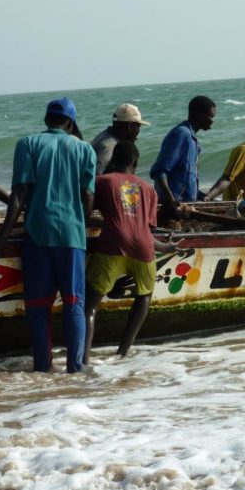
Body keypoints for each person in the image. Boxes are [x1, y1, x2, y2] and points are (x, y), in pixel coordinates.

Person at [0, 98, 96, 373]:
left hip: (36, 234)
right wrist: (81, 226)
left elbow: (19, 195)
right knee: (74, 303)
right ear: (70, 123)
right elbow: (88, 196)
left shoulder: (28, 144)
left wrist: (1, 239)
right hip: (71, 235)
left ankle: (42, 369)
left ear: (46, 119)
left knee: (37, 307)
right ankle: (75, 369)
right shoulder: (85, 150)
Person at [85, 141, 178, 362]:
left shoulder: (103, 182)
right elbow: (142, 230)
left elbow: (86, 212)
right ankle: (122, 353)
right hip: (144, 249)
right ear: (135, 163)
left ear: (112, 160)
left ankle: (83, 359)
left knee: (89, 306)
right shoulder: (148, 189)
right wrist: (166, 247)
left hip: (113, 245)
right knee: (144, 295)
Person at [150, 96, 216, 213]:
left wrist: (201, 196)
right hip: (174, 208)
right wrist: (170, 199)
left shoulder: (193, 140)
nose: (213, 120)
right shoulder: (182, 134)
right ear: (200, 116)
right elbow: (159, 172)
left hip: (186, 206)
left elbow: (187, 179)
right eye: (211, 116)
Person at [91, 103, 149, 174]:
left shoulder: (104, 136)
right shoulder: (109, 146)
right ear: (129, 126)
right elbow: (98, 178)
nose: (138, 131)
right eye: (138, 126)